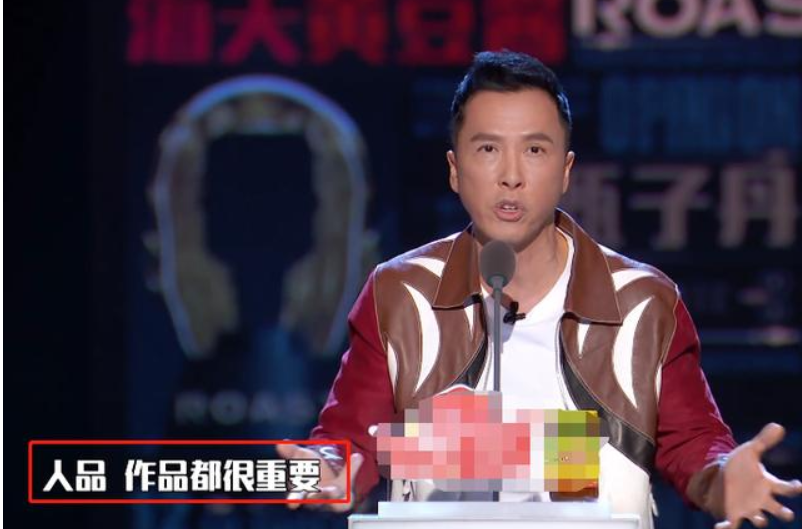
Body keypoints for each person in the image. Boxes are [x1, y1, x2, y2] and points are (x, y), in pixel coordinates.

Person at [277, 50, 801, 528]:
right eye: (488, 149)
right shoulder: (400, 294)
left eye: (534, 149)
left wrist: (722, 476)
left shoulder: (643, 302)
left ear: (566, 170)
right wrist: (326, 469)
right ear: (455, 170)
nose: (511, 176)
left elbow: (693, 442)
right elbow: (350, 443)